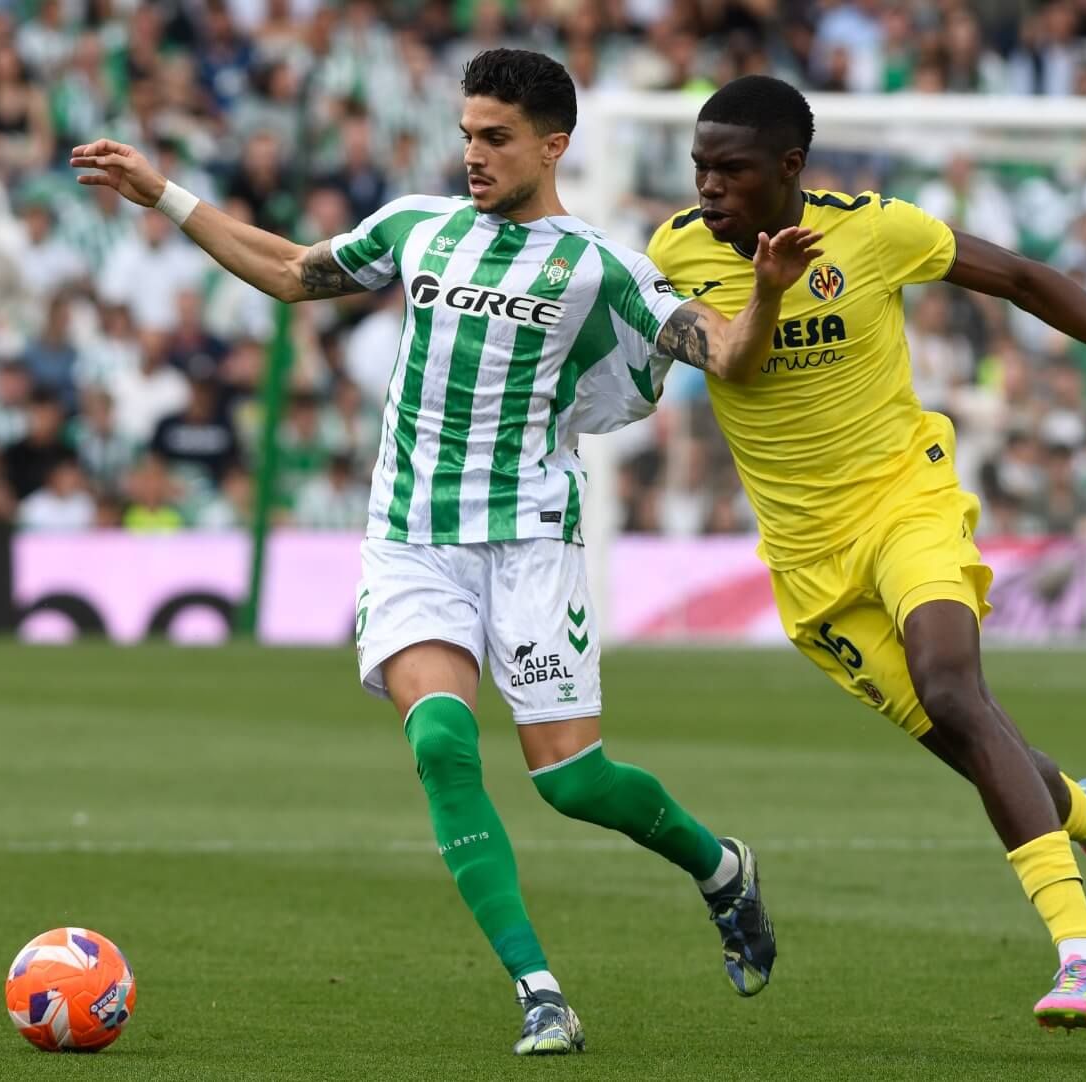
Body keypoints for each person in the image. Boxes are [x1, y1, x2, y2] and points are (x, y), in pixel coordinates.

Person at [73, 49, 822, 1056]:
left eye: (495, 138)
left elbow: (726, 353)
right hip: (411, 537)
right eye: (467, 133)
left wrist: (768, 294)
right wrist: (162, 193)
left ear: (552, 146)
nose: (472, 153)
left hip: (527, 540)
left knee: (571, 780)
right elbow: (294, 272)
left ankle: (719, 865)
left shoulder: (601, 269)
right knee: (439, 742)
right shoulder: (416, 227)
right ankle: (539, 988)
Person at [645, 75, 1086, 1035]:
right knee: (973, 740)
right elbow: (735, 365)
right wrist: (763, 291)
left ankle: (1084, 961)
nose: (708, 188)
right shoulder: (673, 253)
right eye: (700, 168)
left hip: (903, 501)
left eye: (731, 170)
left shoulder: (875, 230)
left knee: (955, 690)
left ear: (789, 169)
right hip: (808, 566)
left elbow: (1023, 278)